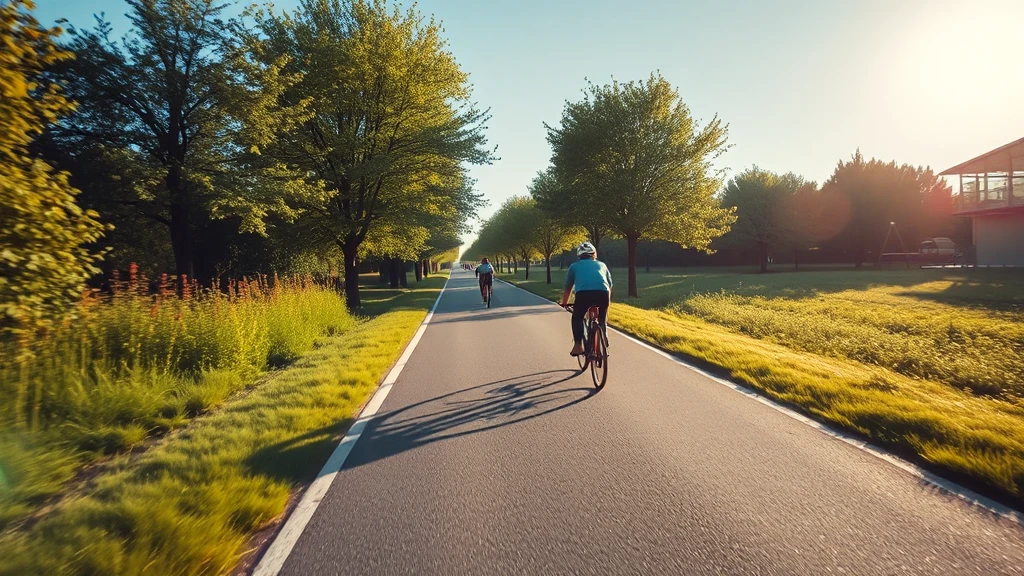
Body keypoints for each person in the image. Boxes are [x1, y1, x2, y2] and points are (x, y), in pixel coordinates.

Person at [559, 241, 612, 357]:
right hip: (603, 293)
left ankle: (578, 346)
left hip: (584, 295)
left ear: (579, 256)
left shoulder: (574, 266)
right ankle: (603, 332)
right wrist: (608, 301)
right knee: (602, 318)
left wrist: (564, 303)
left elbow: (568, 287)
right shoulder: (602, 265)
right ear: (594, 254)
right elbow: (609, 284)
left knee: (577, 317)